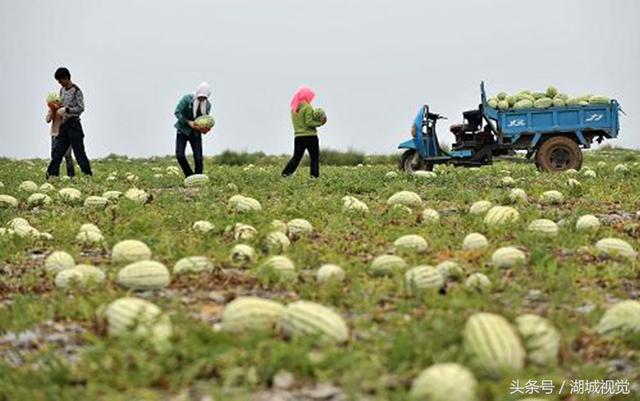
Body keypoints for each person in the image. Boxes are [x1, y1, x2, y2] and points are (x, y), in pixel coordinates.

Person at [46, 67, 93, 178]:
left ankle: (88, 174)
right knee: (57, 151)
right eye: (58, 81)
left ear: (67, 78)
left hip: (74, 125)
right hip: (63, 125)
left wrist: (67, 110)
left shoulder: (77, 91)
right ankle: (51, 174)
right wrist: (54, 107)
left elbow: (81, 108)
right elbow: (60, 103)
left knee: (79, 152)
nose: (59, 83)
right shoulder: (62, 90)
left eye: (60, 80)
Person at [281, 86, 327, 178]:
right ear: (306, 96)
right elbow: (309, 122)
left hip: (298, 137)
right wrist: (320, 123)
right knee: (314, 158)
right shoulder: (307, 107)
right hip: (310, 136)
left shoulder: (293, 109)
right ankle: (314, 177)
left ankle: (285, 174)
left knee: (296, 157)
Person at [174, 82, 213, 177]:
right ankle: (189, 175)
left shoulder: (207, 105)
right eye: (200, 97)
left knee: (199, 158)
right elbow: (177, 112)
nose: (201, 99)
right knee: (180, 155)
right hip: (182, 130)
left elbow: (205, 120)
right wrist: (188, 122)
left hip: (196, 132)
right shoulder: (186, 99)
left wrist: (205, 129)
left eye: (204, 98)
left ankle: (198, 177)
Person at [45, 98, 75, 177]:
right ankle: (55, 175)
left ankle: (71, 176)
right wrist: (52, 111)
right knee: (55, 156)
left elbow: (67, 119)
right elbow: (47, 120)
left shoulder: (65, 108)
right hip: (55, 135)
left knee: (67, 155)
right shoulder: (51, 109)